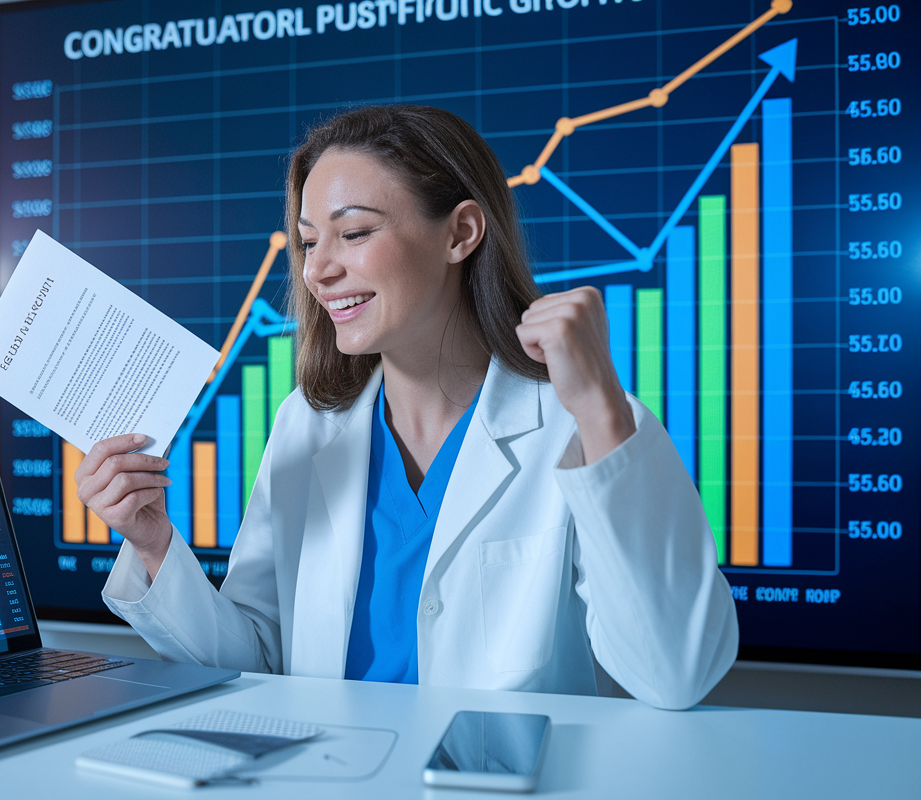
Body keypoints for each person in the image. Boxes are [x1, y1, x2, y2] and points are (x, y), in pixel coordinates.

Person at [76, 105, 737, 710]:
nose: (317, 270)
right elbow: (257, 664)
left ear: (462, 233)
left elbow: (676, 676)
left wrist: (601, 410)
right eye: (309, 242)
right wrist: (153, 541)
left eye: (354, 232)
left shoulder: (581, 428)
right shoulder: (304, 425)